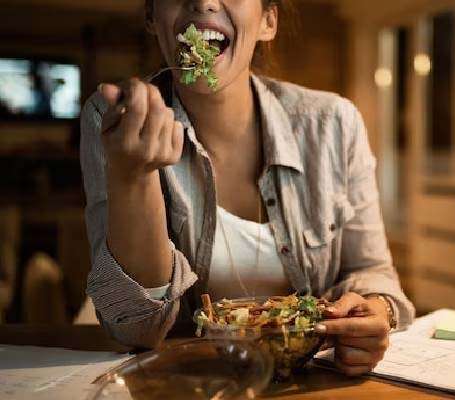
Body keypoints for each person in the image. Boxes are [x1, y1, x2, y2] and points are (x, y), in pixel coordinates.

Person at [79, 0, 414, 376]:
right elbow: (136, 330)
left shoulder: (334, 124)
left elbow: (374, 273)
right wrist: (134, 176)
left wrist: (373, 311)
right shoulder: (114, 122)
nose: (203, 0)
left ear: (268, 22)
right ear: (152, 19)